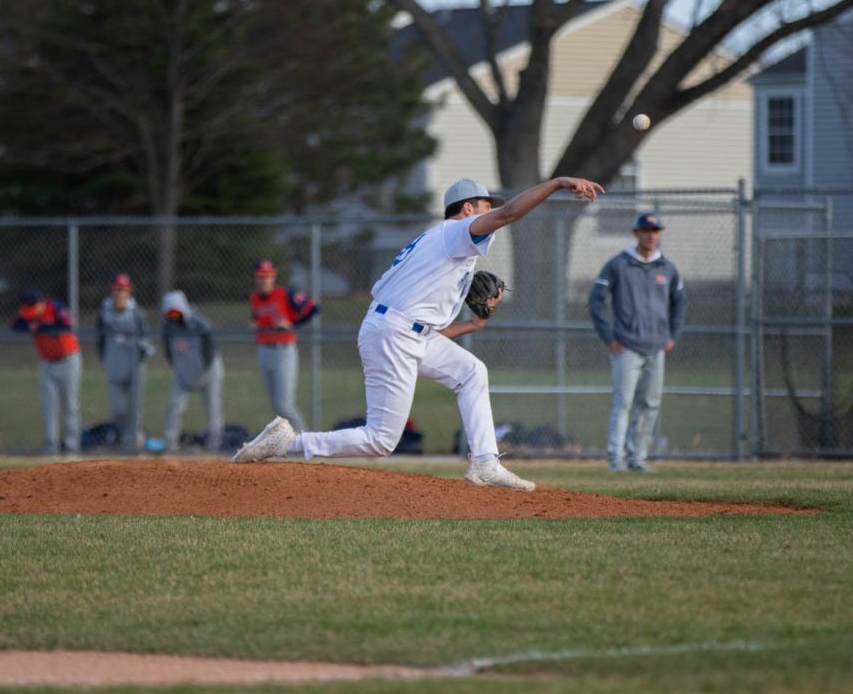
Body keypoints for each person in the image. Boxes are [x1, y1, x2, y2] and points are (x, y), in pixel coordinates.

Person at [233, 175, 605, 492]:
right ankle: (288, 442)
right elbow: (510, 214)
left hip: (402, 330)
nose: (491, 211)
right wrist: (558, 183)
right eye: (483, 205)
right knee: (380, 440)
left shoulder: (446, 251)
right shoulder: (456, 232)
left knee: (471, 372)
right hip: (393, 334)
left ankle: (484, 462)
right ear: (466, 209)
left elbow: (425, 326)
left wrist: (473, 325)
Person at [589, 212, 687, 472]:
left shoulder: (667, 268)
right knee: (623, 404)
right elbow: (596, 300)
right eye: (646, 231)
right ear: (636, 233)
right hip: (627, 346)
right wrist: (609, 337)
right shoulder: (619, 264)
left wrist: (672, 335)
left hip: (656, 347)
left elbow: (680, 303)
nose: (651, 236)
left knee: (650, 405)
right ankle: (615, 460)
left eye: (655, 231)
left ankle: (637, 458)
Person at [248, 259, 319, 430]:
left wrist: (292, 324)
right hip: (264, 351)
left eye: (268, 276)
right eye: (261, 276)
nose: (264, 280)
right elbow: (258, 318)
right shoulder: (255, 298)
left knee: (285, 405)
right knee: (276, 406)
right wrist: (255, 324)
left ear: (273, 277)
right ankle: (287, 443)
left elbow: (313, 308)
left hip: (283, 351)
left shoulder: (285, 294)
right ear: (255, 278)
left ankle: (305, 440)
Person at [11, 290, 82, 455]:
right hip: (47, 362)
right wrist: (31, 326)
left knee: (70, 405)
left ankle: (72, 447)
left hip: (68, 360)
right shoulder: (28, 314)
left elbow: (67, 325)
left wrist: (41, 327)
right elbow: (15, 325)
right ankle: (50, 447)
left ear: (41, 303)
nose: (30, 313)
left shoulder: (55, 308)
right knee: (48, 406)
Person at [161, 289, 224, 451]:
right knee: (174, 405)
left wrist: (202, 374)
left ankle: (214, 444)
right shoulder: (168, 328)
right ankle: (171, 442)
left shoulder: (200, 325)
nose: (173, 317)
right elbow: (168, 352)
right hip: (183, 374)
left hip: (208, 373)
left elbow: (210, 353)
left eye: (176, 312)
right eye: (170, 314)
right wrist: (181, 371)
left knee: (213, 408)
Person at [97, 273, 151, 452]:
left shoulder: (137, 313)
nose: (119, 294)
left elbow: (146, 339)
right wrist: (105, 358)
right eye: (117, 290)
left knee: (135, 408)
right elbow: (100, 340)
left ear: (129, 293)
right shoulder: (104, 313)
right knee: (118, 408)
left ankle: (133, 443)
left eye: (123, 290)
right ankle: (124, 438)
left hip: (135, 366)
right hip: (114, 364)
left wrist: (142, 357)